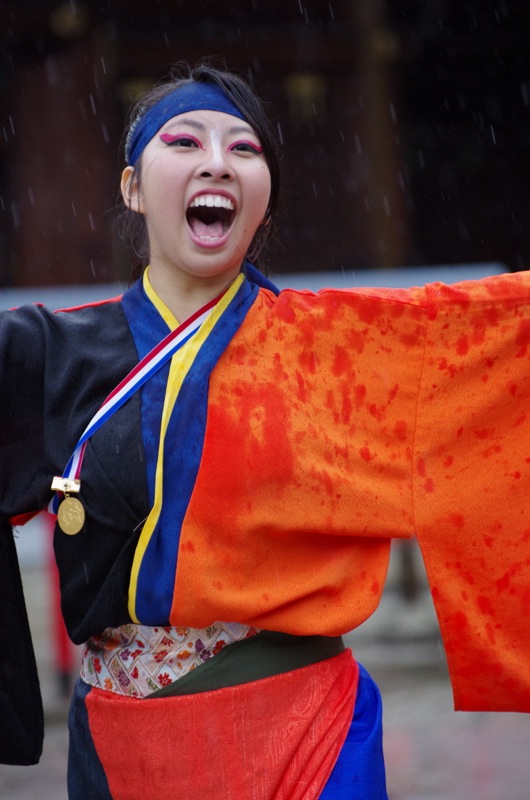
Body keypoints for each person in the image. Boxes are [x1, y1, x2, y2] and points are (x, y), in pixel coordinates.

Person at [1, 59, 529, 800]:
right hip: (122, 747)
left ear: (265, 207)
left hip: (306, 732)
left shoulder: (341, 349)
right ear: (131, 189)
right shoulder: (42, 355)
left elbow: (510, 346)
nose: (217, 162)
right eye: (184, 142)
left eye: (244, 149)